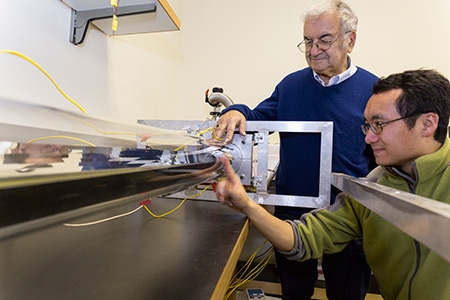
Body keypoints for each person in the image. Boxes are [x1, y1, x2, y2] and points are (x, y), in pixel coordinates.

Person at [216, 69, 450, 300]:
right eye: (366, 126)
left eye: (379, 125)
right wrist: (247, 205)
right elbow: (304, 238)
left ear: (427, 124)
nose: (368, 138)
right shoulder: (372, 189)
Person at [214, 1, 377, 299]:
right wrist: (236, 111)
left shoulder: (374, 90)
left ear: (350, 40)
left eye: (325, 40)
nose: (314, 50)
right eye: (308, 41)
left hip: (349, 219)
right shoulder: (291, 86)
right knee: (294, 293)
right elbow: (259, 118)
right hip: (292, 218)